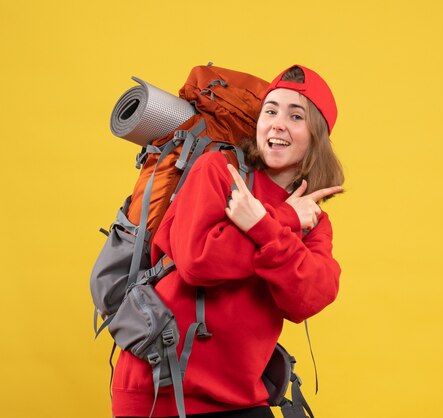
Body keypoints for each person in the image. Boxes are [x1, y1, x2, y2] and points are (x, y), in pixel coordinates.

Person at [112, 65, 345, 418]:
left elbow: (309, 297)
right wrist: (281, 221)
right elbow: (196, 261)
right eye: (270, 111)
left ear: (317, 137)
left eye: (295, 116)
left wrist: (265, 226)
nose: (278, 123)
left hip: (241, 397)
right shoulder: (217, 170)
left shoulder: (311, 218)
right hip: (160, 391)